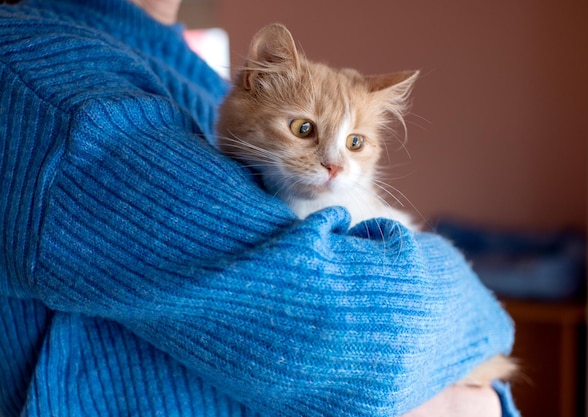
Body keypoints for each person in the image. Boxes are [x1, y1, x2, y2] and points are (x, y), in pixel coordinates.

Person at [0, 0, 519, 416]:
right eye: (305, 130)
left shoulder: (190, 76)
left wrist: (479, 390)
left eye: (355, 145)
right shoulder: (45, 80)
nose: (334, 164)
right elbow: (355, 327)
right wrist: (460, 394)